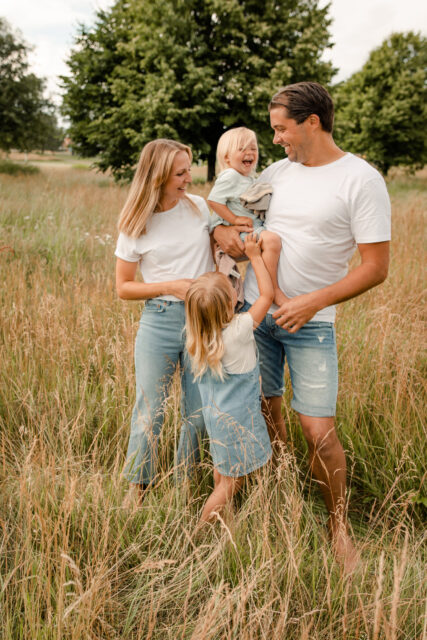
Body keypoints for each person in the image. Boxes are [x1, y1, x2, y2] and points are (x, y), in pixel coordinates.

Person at [213, 82, 391, 571]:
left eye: (281, 129)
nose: (274, 140)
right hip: (255, 316)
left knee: (317, 430)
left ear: (312, 122)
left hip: (310, 324)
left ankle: (339, 529)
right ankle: (278, 497)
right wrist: (223, 232)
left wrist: (311, 304)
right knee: (266, 416)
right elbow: (230, 218)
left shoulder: (360, 179)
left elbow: (376, 267)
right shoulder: (276, 173)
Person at [115, 138, 215, 506]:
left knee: (198, 410)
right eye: (180, 172)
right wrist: (171, 286)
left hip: (202, 321)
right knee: (149, 408)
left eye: (189, 169)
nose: (189, 177)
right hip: (158, 320)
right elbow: (123, 288)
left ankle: (183, 486)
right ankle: (138, 488)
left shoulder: (200, 208)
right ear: (157, 176)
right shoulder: (135, 223)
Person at [185, 234, 273, 525]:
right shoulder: (239, 330)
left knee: (222, 472)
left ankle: (226, 522)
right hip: (240, 425)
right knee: (229, 485)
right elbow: (267, 297)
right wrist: (255, 257)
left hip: (217, 422)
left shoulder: (198, 338)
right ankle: (199, 533)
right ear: (230, 303)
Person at [207, 127, 283, 305]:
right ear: (227, 157)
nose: (249, 153)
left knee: (270, 243)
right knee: (272, 242)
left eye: (253, 149)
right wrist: (234, 220)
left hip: (253, 228)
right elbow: (214, 201)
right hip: (242, 232)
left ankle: (266, 289)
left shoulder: (249, 178)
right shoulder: (230, 176)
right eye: (242, 149)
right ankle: (273, 290)